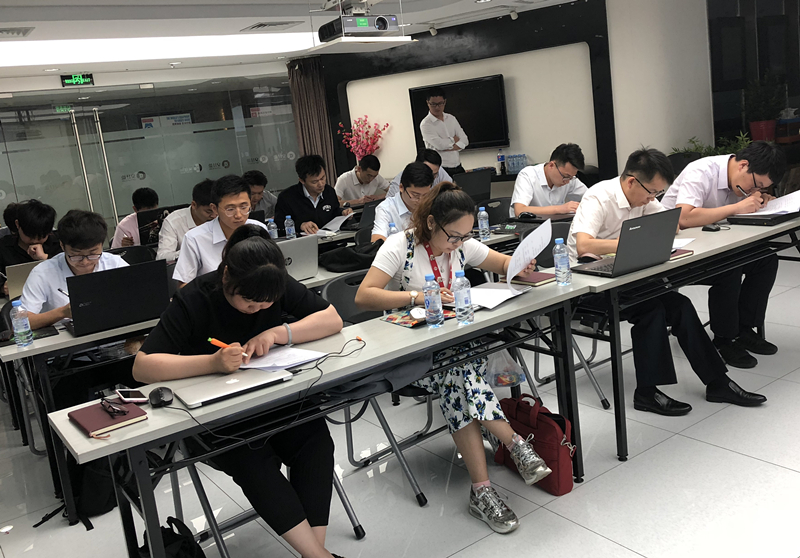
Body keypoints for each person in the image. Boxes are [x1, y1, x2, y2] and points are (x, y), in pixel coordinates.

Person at [133, 225, 346, 558]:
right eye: (248, 302)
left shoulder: (271, 279)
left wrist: (277, 333)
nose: (257, 309)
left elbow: (332, 319)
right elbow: (142, 367)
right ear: (226, 277)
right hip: (220, 418)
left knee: (316, 443)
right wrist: (212, 362)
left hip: (275, 399)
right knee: (254, 463)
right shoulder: (195, 298)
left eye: (266, 304)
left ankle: (315, 553)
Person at [355, 182, 550, 534]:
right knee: (457, 373)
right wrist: (416, 296)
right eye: (454, 236)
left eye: (465, 236)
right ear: (431, 223)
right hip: (415, 353)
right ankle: (514, 443)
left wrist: (518, 265)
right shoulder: (400, 246)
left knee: (456, 378)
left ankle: (482, 491)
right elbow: (364, 296)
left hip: (458, 349)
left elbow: (501, 262)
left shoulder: (460, 243)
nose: (459, 244)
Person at [567, 148, 767, 416]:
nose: (652, 198)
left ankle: (718, 383)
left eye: (657, 194)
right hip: (588, 283)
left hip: (627, 275)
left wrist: (659, 226)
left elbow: (672, 224)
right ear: (631, 182)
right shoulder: (599, 197)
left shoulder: (643, 198)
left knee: (681, 305)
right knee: (652, 310)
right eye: (651, 192)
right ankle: (646, 393)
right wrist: (630, 243)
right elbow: (584, 245)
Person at [661, 141, 786, 369]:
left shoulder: (743, 179)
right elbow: (684, 218)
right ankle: (724, 339)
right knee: (730, 266)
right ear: (743, 165)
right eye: (756, 185)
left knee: (766, 260)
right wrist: (737, 207)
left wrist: (764, 202)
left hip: (715, 245)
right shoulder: (701, 172)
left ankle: (744, 329)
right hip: (678, 252)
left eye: (762, 189)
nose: (754, 191)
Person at [21, 210, 128, 330]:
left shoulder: (114, 263)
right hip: (66, 338)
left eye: (93, 253)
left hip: (113, 331)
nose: (85, 262)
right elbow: (21, 322)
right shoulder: (43, 273)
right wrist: (63, 312)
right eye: (76, 255)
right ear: (62, 246)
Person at [173, 175, 267, 286]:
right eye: (230, 209)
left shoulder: (258, 229)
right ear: (215, 209)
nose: (238, 215)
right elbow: (184, 286)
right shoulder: (194, 239)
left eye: (244, 207)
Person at [274, 155, 353, 236]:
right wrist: (300, 225)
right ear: (302, 180)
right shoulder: (287, 197)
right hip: (303, 241)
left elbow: (334, 212)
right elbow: (279, 226)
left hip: (330, 239)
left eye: (323, 178)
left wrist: (343, 212)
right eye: (314, 182)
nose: (321, 184)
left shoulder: (329, 191)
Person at [0, 200, 61, 297]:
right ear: (17, 224)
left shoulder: (59, 242)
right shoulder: (3, 247)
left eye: (41, 236)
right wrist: (2, 288)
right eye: (29, 235)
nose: (35, 240)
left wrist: (45, 258)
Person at [510, 143, 588, 217]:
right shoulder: (527, 175)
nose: (567, 181)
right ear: (551, 165)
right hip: (527, 225)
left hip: (556, 224)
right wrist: (559, 209)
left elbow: (591, 197)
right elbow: (519, 210)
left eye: (571, 177)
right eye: (565, 176)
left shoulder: (570, 178)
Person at [371, 162, 434, 242]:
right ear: (401, 187)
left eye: (425, 195)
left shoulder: (431, 204)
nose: (421, 201)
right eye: (415, 195)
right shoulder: (386, 209)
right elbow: (377, 240)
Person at [156, 179, 217, 261]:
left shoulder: (223, 216)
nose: (214, 216)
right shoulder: (173, 221)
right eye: (208, 211)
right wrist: (191, 251)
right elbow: (162, 257)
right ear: (194, 205)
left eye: (217, 210)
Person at [420, 87, 469, 176]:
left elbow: (465, 140)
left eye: (440, 103)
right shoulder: (426, 124)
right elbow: (440, 145)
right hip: (440, 170)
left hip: (458, 167)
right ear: (428, 103)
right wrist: (454, 141)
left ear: (445, 102)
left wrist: (445, 146)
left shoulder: (451, 118)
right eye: (433, 104)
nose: (437, 107)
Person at [386, 149, 452, 198]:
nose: (431, 177)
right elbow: (390, 204)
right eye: (427, 172)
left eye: (435, 174)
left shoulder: (436, 169)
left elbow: (451, 190)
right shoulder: (400, 181)